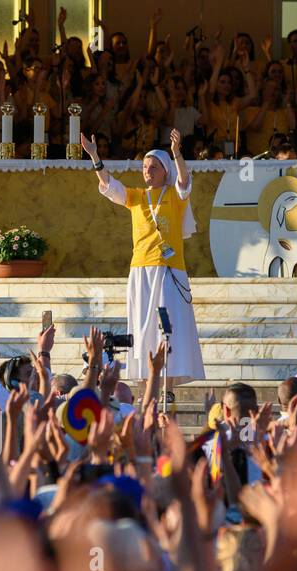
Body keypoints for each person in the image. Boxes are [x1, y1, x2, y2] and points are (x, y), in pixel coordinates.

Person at [81, 128, 204, 384]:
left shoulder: (174, 195)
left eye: (154, 167)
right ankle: (149, 382)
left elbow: (184, 181)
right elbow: (108, 184)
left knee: (168, 328)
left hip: (168, 269)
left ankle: (167, 383)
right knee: (143, 326)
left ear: (165, 171)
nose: (147, 171)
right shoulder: (136, 196)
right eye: (145, 167)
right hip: (140, 269)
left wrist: (177, 153)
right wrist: (95, 157)